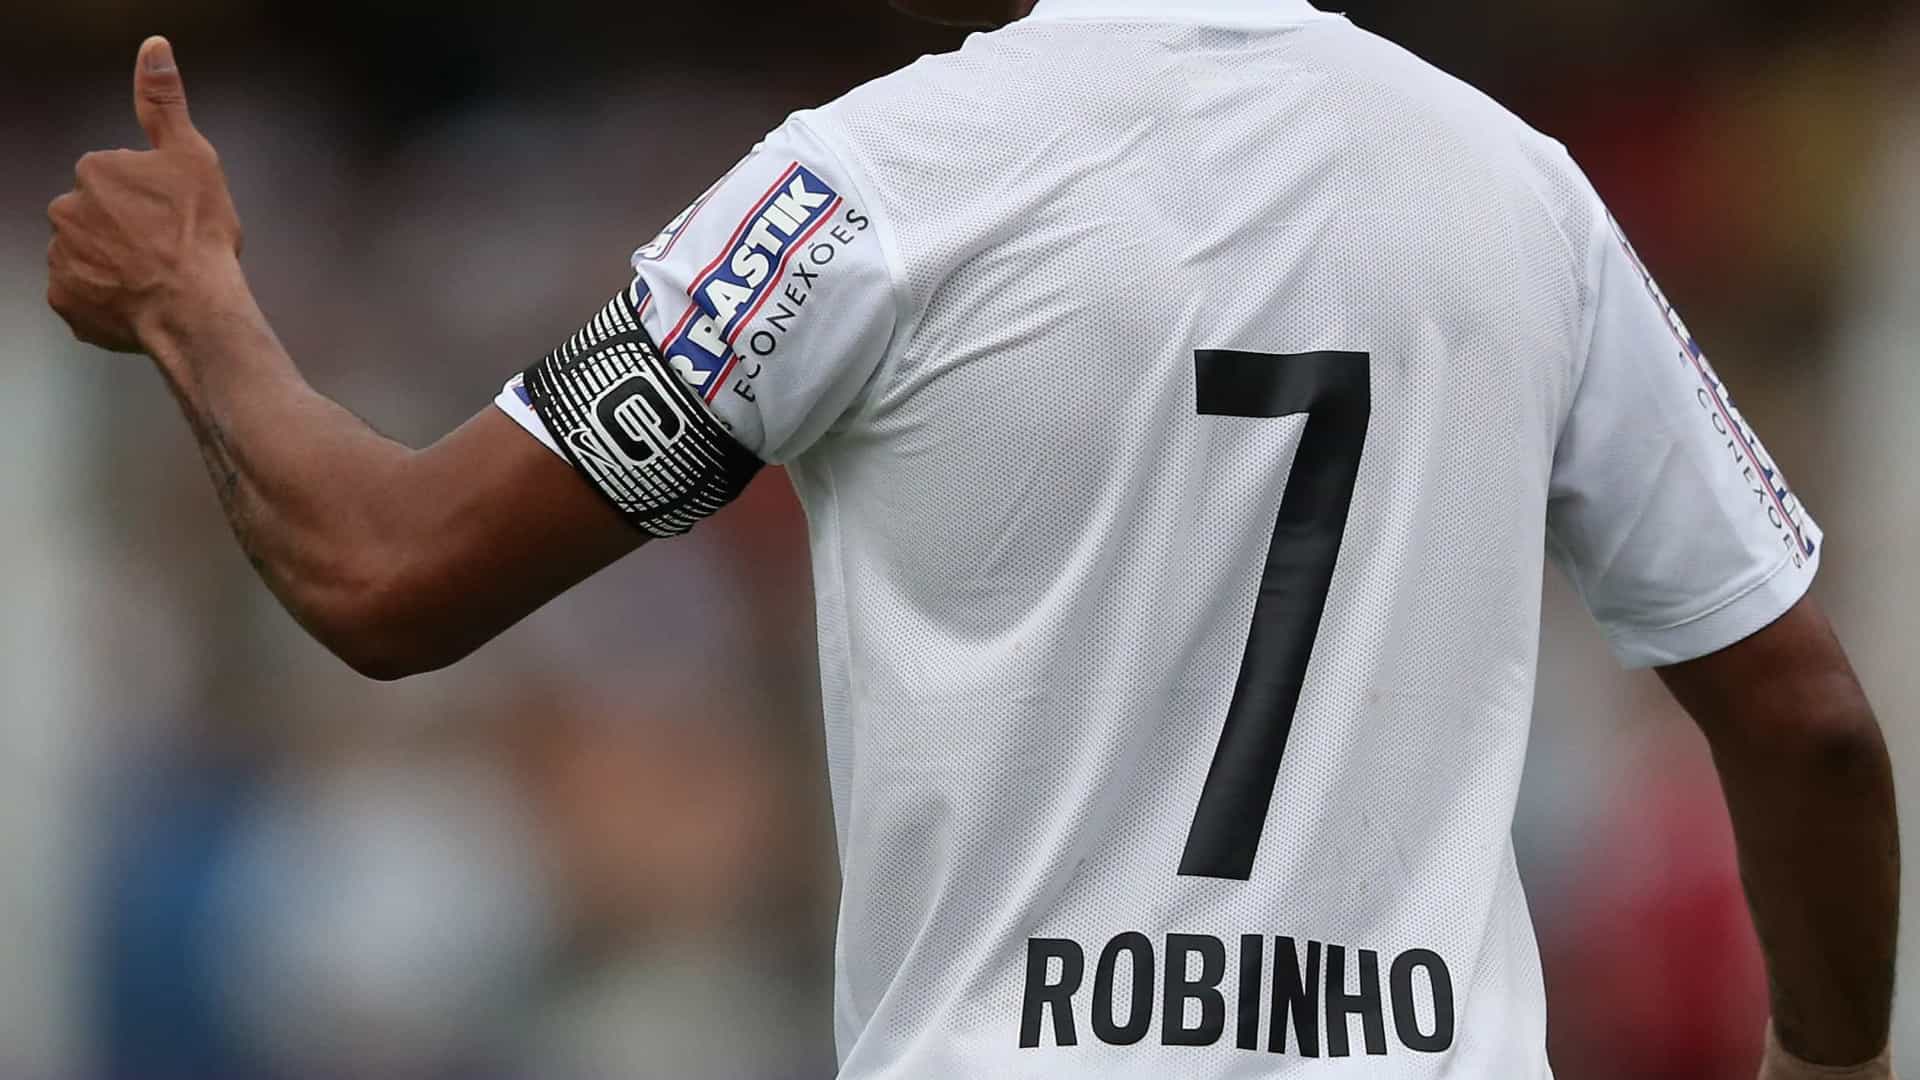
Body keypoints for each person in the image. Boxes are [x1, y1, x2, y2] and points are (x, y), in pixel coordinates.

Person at [44, 3, 1898, 1076]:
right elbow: (1808, 720)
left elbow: (385, 571)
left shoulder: (868, 189)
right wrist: (1824, 1061)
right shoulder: (1523, 196)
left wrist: (194, 302)